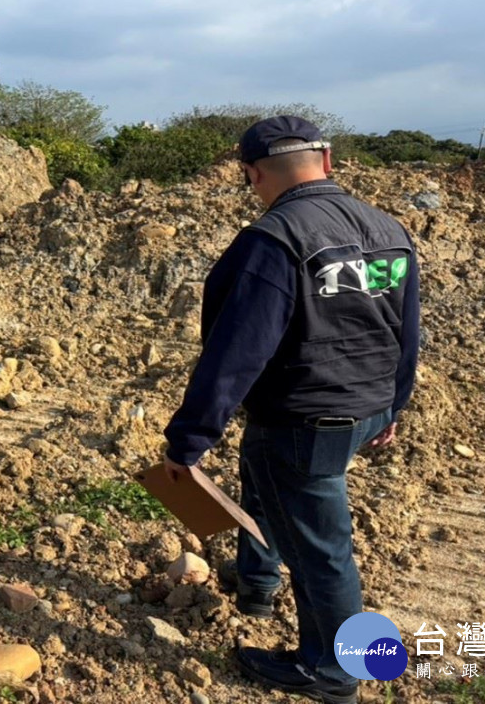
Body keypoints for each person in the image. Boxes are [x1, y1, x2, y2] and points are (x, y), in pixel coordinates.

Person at [161, 116, 420, 704]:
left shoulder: (274, 239)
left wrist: (189, 442)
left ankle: (333, 671)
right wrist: (395, 404)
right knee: (262, 474)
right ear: (326, 162)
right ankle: (256, 583)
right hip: (367, 408)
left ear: (253, 174)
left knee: (323, 552)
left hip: (308, 419)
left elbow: (235, 353)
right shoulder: (388, 230)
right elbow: (408, 332)